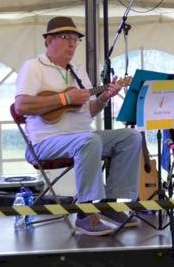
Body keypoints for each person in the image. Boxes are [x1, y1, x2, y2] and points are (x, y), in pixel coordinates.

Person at [14, 16, 141, 236]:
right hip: (44, 142)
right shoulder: (33, 67)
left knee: (131, 137)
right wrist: (64, 99)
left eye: (75, 39)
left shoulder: (78, 71)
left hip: (82, 137)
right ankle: (84, 213)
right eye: (65, 37)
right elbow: (21, 105)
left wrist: (103, 98)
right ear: (48, 40)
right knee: (88, 140)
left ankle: (109, 204)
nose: (72, 43)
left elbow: (88, 111)